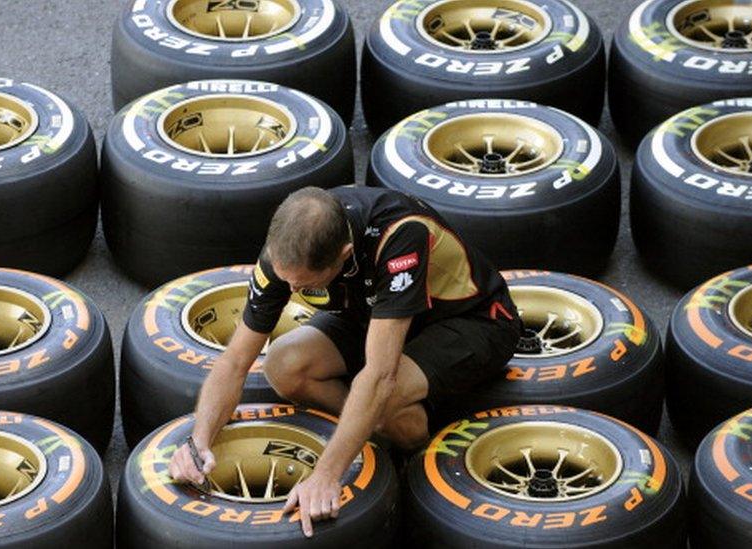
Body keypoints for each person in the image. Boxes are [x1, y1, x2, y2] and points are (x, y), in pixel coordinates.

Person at [168, 186, 522, 536]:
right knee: (284, 364)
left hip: (471, 321)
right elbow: (234, 362)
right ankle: (370, 426)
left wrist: (324, 475)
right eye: (286, 279)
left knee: (382, 400)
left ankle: (415, 453)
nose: (290, 289)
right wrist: (199, 441)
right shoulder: (288, 250)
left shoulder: (399, 235)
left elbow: (380, 376)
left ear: (345, 253)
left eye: (304, 284)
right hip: (373, 314)